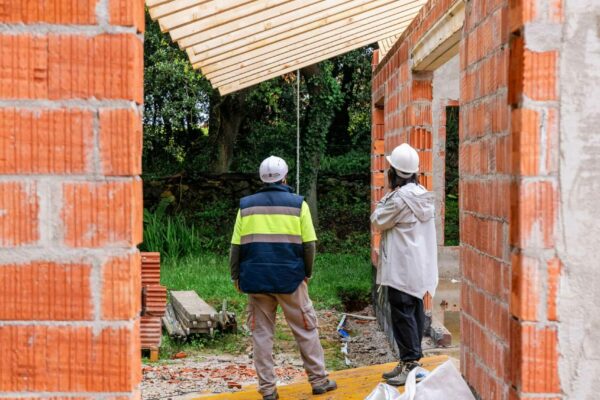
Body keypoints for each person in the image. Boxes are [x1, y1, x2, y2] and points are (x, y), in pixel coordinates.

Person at [229, 156, 337, 400]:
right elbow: (309, 245)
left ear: (262, 179)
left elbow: (236, 247)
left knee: (261, 335)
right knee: (306, 329)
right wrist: (307, 273)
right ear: (285, 177)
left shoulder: (246, 206)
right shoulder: (298, 205)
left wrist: (236, 276)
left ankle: (268, 390)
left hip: (256, 281)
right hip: (291, 279)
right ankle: (319, 381)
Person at [370, 143, 438, 386]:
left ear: (395, 172)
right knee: (414, 312)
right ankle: (410, 361)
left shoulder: (399, 199)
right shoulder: (421, 194)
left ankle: (410, 365)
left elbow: (377, 220)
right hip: (419, 268)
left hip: (400, 268)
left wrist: (386, 197)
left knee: (402, 315)